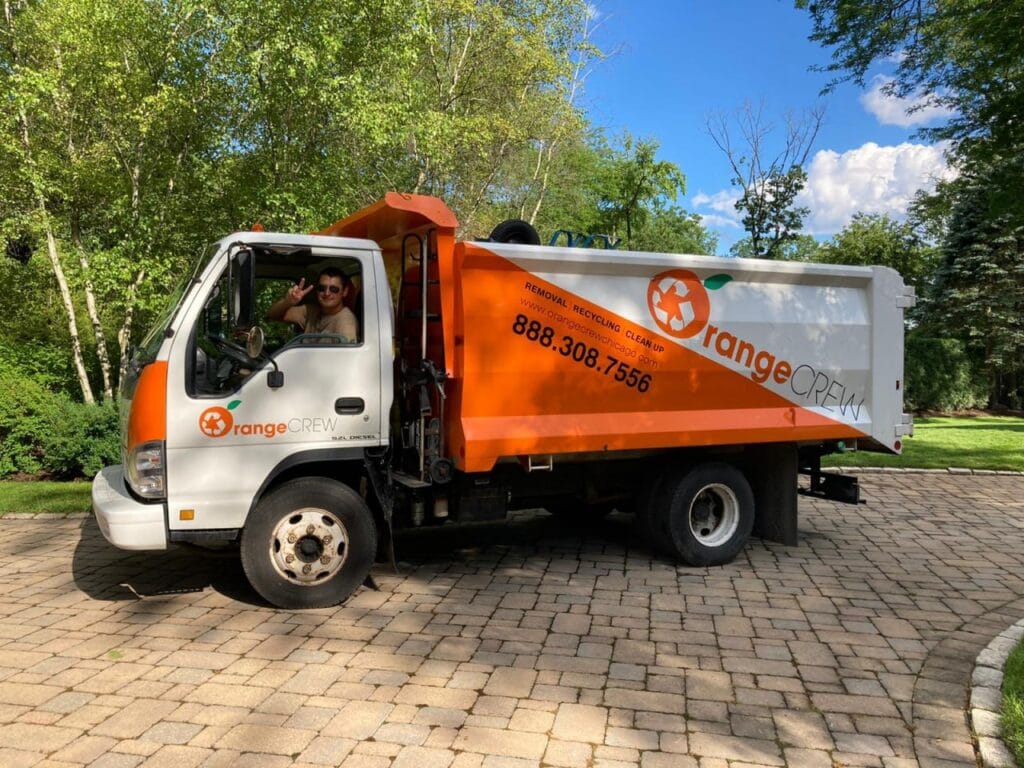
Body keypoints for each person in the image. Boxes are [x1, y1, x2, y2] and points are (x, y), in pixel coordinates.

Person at [268, 267, 358, 343]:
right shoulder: (311, 311)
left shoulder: (346, 322)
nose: (327, 293)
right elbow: (272, 315)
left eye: (333, 289)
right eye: (322, 288)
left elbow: (345, 359)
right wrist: (288, 302)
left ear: (344, 292)